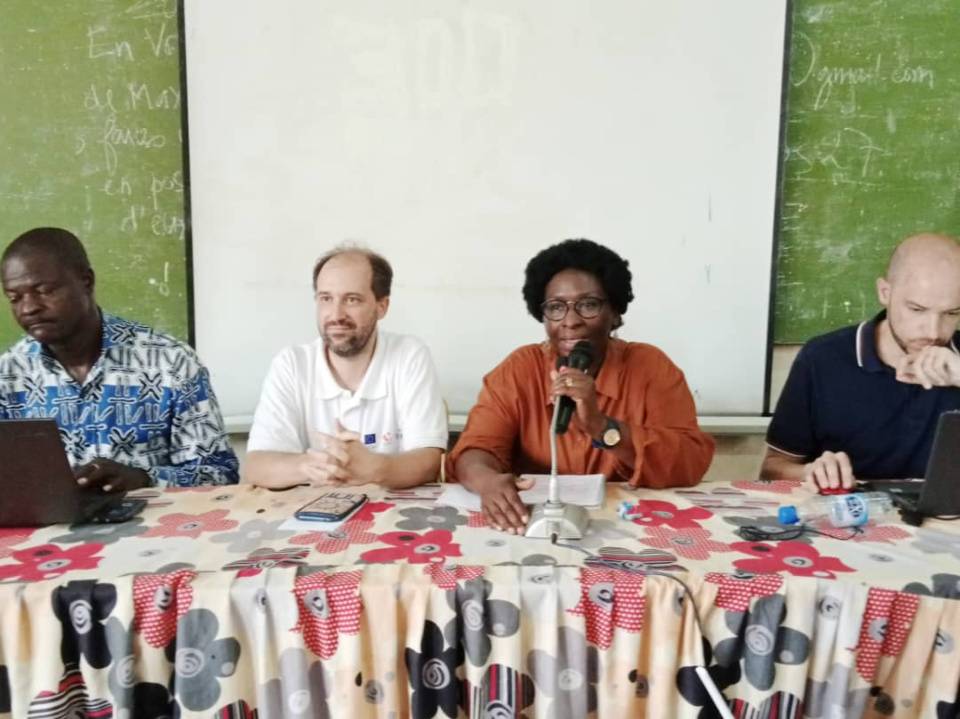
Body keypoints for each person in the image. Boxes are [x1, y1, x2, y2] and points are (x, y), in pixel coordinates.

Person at [446, 238, 715, 533]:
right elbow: (476, 449)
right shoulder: (519, 370)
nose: (571, 321)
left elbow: (689, 461)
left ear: (615, 314)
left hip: (629, 526)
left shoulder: (651, 367)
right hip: (536, 525)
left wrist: (602, 427)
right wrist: (487, 481)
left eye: (588, 305)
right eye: (556, 307)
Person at [0, 227, 239, 490]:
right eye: (14, 298)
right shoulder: (8, 374)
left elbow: (219, 474)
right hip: (50, 517)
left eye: (44, 290)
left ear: (86, 281)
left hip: (153, 515)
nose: (29, 308)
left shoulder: (170, 363)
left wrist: (145, 478)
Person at [762, 233, 960, 491]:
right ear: (885, 292)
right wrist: (810, 472)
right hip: (846, 510)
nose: (933, 332)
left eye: (952, 313)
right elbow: (772, 468)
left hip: (946, 514)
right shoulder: (823, 358)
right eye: (917, 309)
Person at [243, 245, 448, 489]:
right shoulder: (291, 363)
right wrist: (313, 465)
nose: (336, 314)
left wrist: (375, 469)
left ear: (382, 306)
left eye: (352, 300)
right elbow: (256, 466)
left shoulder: (409, 355)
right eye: (326, 298)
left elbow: (429, 461)